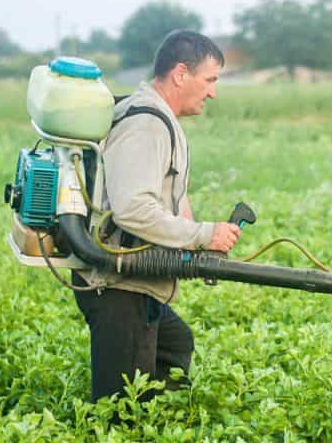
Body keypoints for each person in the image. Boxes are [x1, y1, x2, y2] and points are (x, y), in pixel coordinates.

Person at [72, 30, 240, 403]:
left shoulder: (157, 117)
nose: (213, 91)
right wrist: (201, 234)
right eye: (210, 79)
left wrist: (194, 231)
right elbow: (133, 208)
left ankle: (163, 432)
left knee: (173, 346)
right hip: (119, 283)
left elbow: (161, 190)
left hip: (133, 277)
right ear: (181, 73)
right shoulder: (146, 125)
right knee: (120, 408)